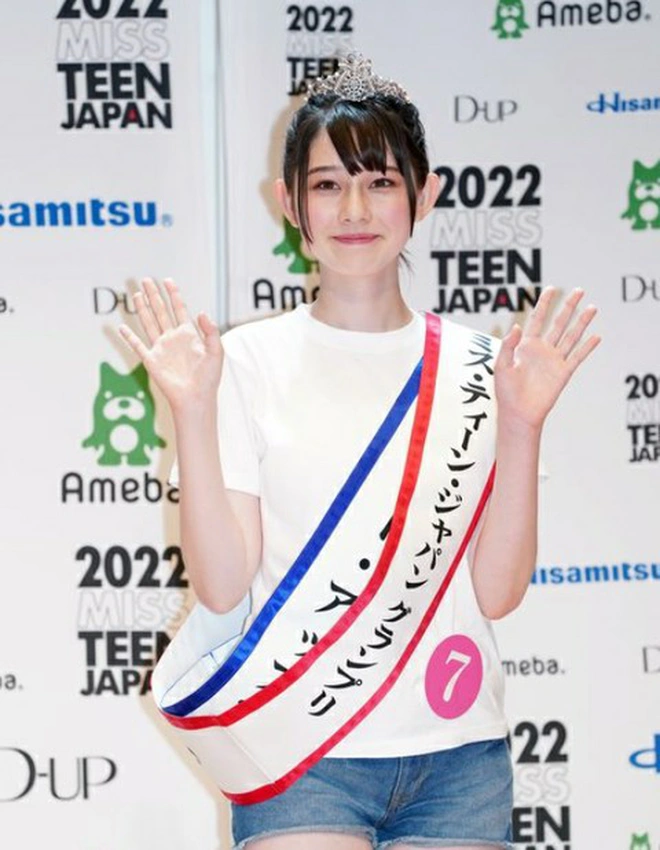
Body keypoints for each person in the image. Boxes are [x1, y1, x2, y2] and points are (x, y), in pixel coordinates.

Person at [118, 54, 600, 850]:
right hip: (298, 748)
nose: (353, 208)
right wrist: (193, 412)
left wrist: (522, 425)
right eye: (327, 183)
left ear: (425, 195)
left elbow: (497, 593)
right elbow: (224, 583)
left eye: (379, 181)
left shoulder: (481, 373)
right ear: (290, 203)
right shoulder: (241, 364)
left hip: (457, 755)